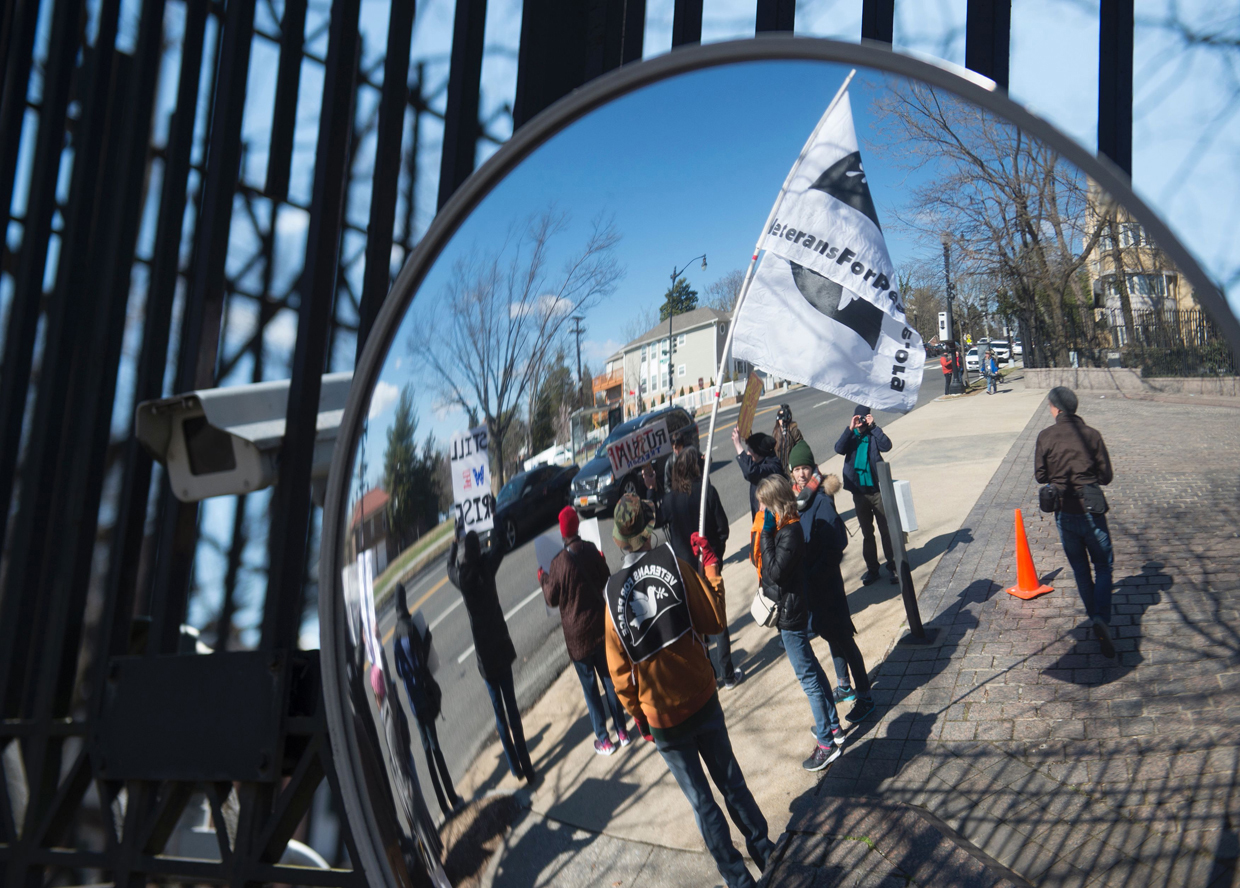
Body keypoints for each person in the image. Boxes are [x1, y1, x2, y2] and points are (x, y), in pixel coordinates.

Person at [603, 493, 774, 888]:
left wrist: (639, 716)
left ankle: (738, 879)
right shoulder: (673, 565)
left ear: (617, 542)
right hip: (700, 695)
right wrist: (711, 569)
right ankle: (767, 852)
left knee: (702, 803)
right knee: (730, 781)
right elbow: (714, 620)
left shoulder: (611, 598)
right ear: (648, 534)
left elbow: (619, 676)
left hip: (663, 719)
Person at [755, 475, 846, 770]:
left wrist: (766, 535)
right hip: (791, 610)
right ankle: (833, 727)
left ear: (774, 503)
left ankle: (825, 744)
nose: (761, 508)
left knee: (808, 679)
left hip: (791, 615)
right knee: (813, 670)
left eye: (764, 503)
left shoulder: (788, 531)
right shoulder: (785, 527)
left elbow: (776, 572)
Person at [787, 441, 876, 723]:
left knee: (844, 640)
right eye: (797, 469)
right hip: (814, 586)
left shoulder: (821, 499)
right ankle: (845, 686)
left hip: (826, 586)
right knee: (830, 636)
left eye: (805, 468)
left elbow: (836, 545)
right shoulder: (799, 499)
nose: (801, 474)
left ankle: (865, 697)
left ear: (813, 468)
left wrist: (813, 571)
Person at [539, 506, 631, 755]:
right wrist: (599, 559)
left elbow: (551, 598)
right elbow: (605, 579)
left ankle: (604, 739)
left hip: (577, 639)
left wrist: (542, 578)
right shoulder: (591, 550)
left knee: (591, 691)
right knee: (609, 679)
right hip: (600, 627)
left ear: (562, 532)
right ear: (577, 527)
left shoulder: (558, 563)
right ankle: (622, 730)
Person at [447, 525, 535, 781]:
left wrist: (454, 543)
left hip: (485, 658)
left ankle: (514, 768)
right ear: (479, 549)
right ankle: (527, 767)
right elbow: (499, 546)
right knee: (512, 709)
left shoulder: (463, 579)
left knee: (499, 714)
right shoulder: (488, 567)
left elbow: (448, 568)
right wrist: (493, 520)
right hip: (501, 647)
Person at [1034, 386, 1116, 658]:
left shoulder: (1046, 436)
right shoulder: (1091, 435)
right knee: (1103, 565)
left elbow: (1040, 474)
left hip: (1064, 510)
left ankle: (1095, 616)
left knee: (1081, 568)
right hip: (1092, 508)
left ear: (1055, 408)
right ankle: (1100, 617)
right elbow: (1106, 477)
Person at [664, 447, 743, 690]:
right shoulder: (705, 491)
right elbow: (722, 528)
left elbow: (663, 528)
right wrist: (714, 556)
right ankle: (727, 674)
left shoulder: (669, 499)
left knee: (696, 623)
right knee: (717, 616)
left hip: (683, 572)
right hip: (706, 565)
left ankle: (710, 674)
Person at [392, 582, 462, 817]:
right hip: (424, 693)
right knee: (436, 747)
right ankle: (452, 797)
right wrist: (427, 637)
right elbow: (421, 659)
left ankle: (442, 804)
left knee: (426, 750)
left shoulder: (394, 635)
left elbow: (401, 671)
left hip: (413, 700)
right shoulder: (410, 627)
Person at [834, 405, 897, 586]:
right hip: (859, 493)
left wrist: (874, 426)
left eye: (863, 418)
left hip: (877, 490)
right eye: (857, 418)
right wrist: (850, 428)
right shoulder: (851, 436)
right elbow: (838, 448)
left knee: (885, 530)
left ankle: (893, 565)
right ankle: (872, 569)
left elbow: (887, 445)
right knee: (867, 533)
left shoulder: (873, 435)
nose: (860, 421)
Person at [731, 427, 785, 519]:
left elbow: (751, 472)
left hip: (771, 523)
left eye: (749, 451)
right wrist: (750, 439)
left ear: (758, 453)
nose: (747, 454)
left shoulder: (773, 468)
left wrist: (738, 445)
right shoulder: (764, 460)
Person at [772, 403, 804, 472]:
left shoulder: (794, 431)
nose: (782, 419)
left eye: (784, 416)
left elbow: (801, 449)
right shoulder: (776, 432)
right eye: (780, 417)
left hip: (791, 469)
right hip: (780, 470)